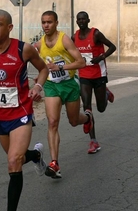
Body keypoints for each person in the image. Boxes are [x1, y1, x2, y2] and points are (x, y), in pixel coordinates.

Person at [0, 9, 49, 211]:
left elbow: (43, 69)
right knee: (18, 159)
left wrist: (38, 87)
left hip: (21, 113)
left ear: (9, 27)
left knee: (13, 161)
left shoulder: (24, 49)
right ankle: (37, 156)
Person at [34, 10, 91, 179]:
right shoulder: (39, 44)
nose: (46, 25)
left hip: (69, 85)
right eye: (43, 22)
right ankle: (54, 163)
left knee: (74, 121)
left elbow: (81, 63)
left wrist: (60, 67)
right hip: (52, 86)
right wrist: (40, 76)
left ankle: (88, 118)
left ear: (56, 23)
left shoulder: (64, 39)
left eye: (49, 22)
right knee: (52, 122)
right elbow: (41, 64)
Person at [72, 11, 117, 154]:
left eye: (83, 19)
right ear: (77, 21)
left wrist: (101, 57)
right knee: (87, 108)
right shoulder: (75, 37)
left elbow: (112, 47)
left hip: (99, 74)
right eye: (79, 19)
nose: (81, 21)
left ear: (88, 20)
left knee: (101, 108)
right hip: (84, 75)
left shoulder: (96, 34)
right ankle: (93, 141)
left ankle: (106, 93)